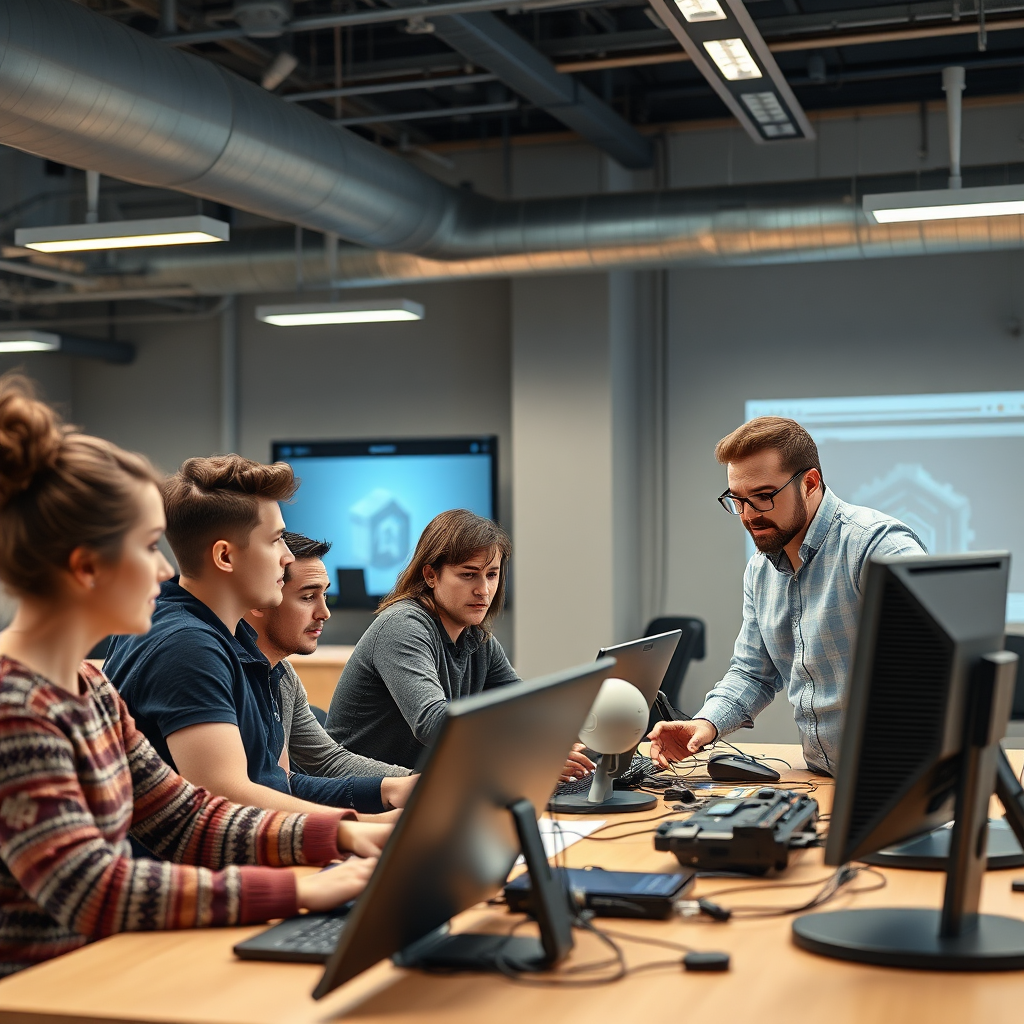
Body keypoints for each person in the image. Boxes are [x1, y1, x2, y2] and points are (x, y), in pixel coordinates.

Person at [0, 374, 385, 977]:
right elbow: (90, 886)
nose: (162, 570)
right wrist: (297, 892)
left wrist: (338, 838)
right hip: (45, 992)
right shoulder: (15, 704)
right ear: (85, 567)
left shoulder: (89, 688)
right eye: (149, 545)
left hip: (101, 970)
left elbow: (183, 816)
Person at [106, 455, 410, 818]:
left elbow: (271, 786)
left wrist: (388, 790)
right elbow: (227, 801)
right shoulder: (187, 646)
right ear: (225, 556)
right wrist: (361, 828)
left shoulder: (232, 642)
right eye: (276, 540)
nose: (286, 557)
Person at [648, 416, 925, 775]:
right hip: (825, 777)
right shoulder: (760, 570)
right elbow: (752, 674)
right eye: (738, 500)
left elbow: (938, 665)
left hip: (897, 779)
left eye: (764, 497)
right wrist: (705, 723)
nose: (749, 516)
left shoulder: (876, 547)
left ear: (810, 483)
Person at [326, 509, 595, 779]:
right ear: (431, 575)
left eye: (492, 574)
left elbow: (521, 706)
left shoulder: (476, 638)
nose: (484, 590)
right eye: (468, 575)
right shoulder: (402, 625)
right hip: (361, 793)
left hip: (426, 787)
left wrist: (575, 737)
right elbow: (433, 722)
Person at [243, 531, 415, 789]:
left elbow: (327, 761)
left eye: (324, 595)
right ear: (260, 598)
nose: (324, 612)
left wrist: (416, 782)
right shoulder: (227, 674)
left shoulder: (284, 675)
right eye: (308, 597)